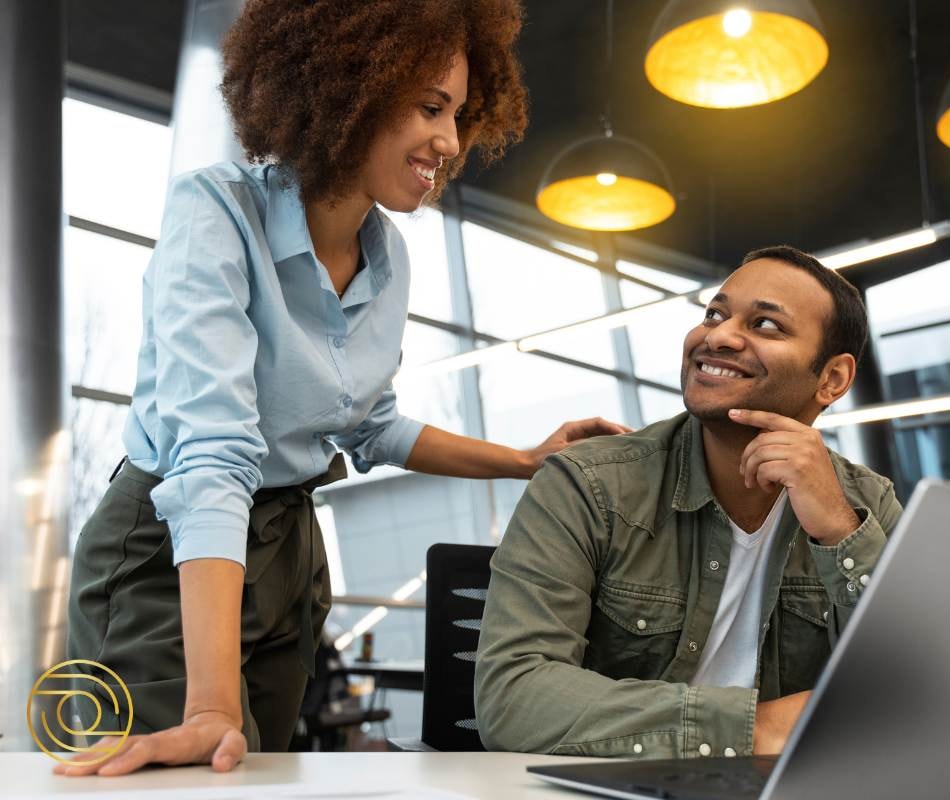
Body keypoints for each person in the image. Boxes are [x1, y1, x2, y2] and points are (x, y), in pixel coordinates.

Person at [59, 0, 627, 778]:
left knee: (257, 776)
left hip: (289, 549)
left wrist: (525, 460)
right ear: (348, 85)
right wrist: (212, 705)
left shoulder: (386, 255)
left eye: (459, 114)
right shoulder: (217, 210)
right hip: (172, 552)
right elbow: (215, 458)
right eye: (431, 107)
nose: (450, 141)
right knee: (187, 773)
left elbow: (371, 424)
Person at [475, 246, 903, 759]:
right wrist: (751, 729)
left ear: (831, 379)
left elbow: (918, 686)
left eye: (766, 324)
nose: (717, 335)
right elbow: (513, 697)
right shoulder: (589, 484)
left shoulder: (866, 504)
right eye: (715, 314)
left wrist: (838, 528)